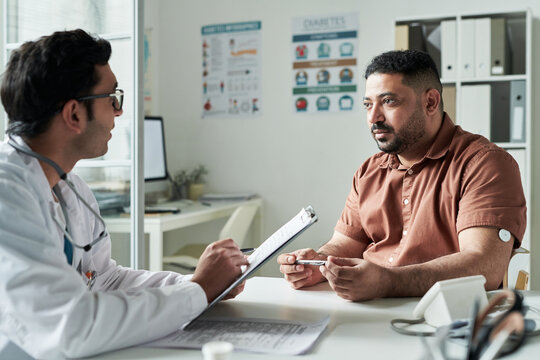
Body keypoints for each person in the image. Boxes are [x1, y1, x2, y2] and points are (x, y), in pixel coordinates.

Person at [0, 29, 248, 359]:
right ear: (74, 114)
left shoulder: (70, 185)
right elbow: (69, 327)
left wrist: (195, 283)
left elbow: (103, 280)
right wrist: (198, 291)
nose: (118, 112)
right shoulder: (7, 193)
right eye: (111, 98)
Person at [278, 49, 526, 302]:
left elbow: (484, 266)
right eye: (368, 104)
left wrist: (387, 282)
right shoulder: (369, 171)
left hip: (443, 316)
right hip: (367, 309)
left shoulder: (484, 164)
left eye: (389, 101)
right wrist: (319, 263)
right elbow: (344, 244)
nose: (374, 117)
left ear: (430, 102)